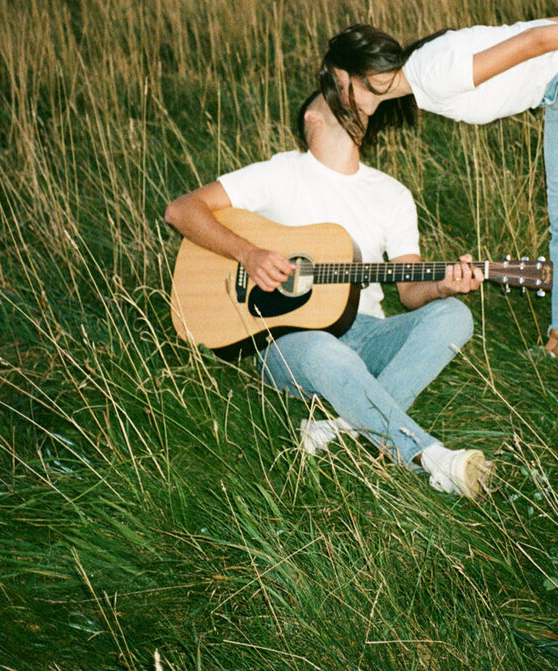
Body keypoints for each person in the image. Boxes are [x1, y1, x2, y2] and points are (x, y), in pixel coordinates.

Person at [164, 91, 492, 499]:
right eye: (337, 92)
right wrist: (248, 254)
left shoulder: (392, 194)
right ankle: (430, 457)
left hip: (365, 332)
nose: (353, 97)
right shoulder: (280, 172)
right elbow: (181, 211)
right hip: (287, 342)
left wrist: (442, 285)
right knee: (325, 350)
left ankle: (344, 426)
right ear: (312, 117)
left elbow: (409, 291)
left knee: (454, 316)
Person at [319, 11, 558, 368]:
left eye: (339, 83)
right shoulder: (423, 78)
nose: (341, 100)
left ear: (363, 67)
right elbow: (525, 30)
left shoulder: (431, 73)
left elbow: (535, 42)